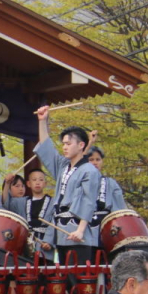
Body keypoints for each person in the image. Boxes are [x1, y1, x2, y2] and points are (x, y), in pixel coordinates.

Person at [34, 105, 100, 262]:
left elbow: (89, 201)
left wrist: (80, 230)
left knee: (79, 275)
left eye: (68, 144)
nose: (64, 147)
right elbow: (47, 148)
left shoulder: (89, 170)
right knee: (66, 274)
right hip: (61, 231)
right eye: (63, 144)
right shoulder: (63, 166)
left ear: (81, 145)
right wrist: (42, 121)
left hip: (78, 232)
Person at [85, 144, 127, 229]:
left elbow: (119, 209)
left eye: (98, 159)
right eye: (91, 160)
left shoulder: (110, 183)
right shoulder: (77, 183)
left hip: (106, 226)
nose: (95, 163)